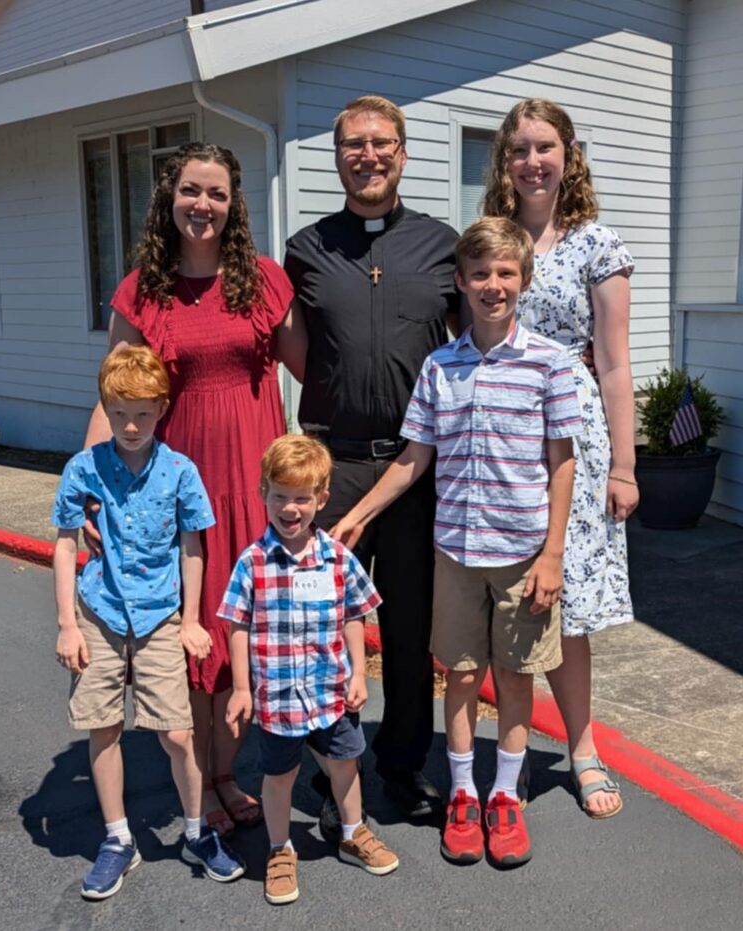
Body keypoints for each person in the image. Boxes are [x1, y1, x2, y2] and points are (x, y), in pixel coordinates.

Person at [333, 217, 581, 867]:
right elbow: (415, 457)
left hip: (526, 550)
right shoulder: (440, 367)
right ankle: (464, 791)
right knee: (462, 674)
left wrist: (554, 553)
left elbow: (562, 461)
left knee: (518, 677)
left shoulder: (549, 364)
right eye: (480, 274)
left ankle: (505, 794)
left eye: (505, 272)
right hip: (457, 550)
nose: (492, 285)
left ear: (522, 279)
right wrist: (359, 513)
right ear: (460, 282)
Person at [84, 143, 306, 837]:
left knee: (243, 629)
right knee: (194, 634)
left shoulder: (266, 282)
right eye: (190, 191)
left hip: (256, 481)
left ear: (234, 203)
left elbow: (316, 371)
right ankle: (203, 782)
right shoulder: (143, 291)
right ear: (169, 198)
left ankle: (226, 773)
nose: (202, 204)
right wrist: (92, 490)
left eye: (215, 192)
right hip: (177, 489)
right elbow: (114, 392)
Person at [284, 95, 460, 819]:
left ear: (404, 153)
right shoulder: (306, 248)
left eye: (382, 142)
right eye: (353, 143)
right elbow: (296, 351)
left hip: (417, 467)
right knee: (325, 627)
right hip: (333, 463)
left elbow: (470, 341)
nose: (369, 154)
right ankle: (335, 762)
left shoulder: (443, 245)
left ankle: (402, 763)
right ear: (337, 157)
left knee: (409, 629)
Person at [483, 99, 639, 817]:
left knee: (566, 604)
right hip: (500, 436)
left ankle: (583, 749)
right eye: (519, 148)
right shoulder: (493, 241)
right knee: (502, 593)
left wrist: (624, 466)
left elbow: (613, 364)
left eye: (544, 146)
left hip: (572, 439)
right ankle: (506, 750)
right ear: (504, 160)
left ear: (568, 154)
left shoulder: (597, 245)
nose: (532, 160)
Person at [53, 346, 245, 899]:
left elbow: (193, 548)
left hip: (161, 616)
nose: (131, 425)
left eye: (142, 412)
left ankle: (194, 831)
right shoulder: (83, 469)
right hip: (100, 612)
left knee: (178, 733)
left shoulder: (180, 472)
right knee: (103, 725)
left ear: (162, 408)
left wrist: (190, 618)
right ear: (105, 409)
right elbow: (66, 547)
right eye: (119, 413)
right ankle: (118, 839)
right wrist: (67, 623)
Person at [220, 435, 399, 905]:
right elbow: (237, 624)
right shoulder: (252, 562)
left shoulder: (337, 558)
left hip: (330, 690)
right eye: (279, 495)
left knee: (345, 762)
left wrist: (360, 674)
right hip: (278, 697)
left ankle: (352, 831)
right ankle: (280, 849)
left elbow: (354, 615)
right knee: (278, 775)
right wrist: (242, 688)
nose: (290, 508)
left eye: (302, 497)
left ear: (321, 499)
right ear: (263, 494)